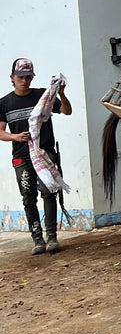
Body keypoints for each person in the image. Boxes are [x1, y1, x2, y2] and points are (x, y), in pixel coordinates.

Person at [0, 58, 71, 256]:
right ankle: (37, 239)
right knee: (28, 196)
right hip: (21, 157)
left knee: (49, 191)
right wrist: (15, 137)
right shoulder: (4, 103)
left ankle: (52, 237)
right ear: (12, 78)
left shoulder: (42, 96)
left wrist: (61, 94)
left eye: (28, 77)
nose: (25, 81)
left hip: (45, 152)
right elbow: (0, 132)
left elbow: (66, 111)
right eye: (21, 77)